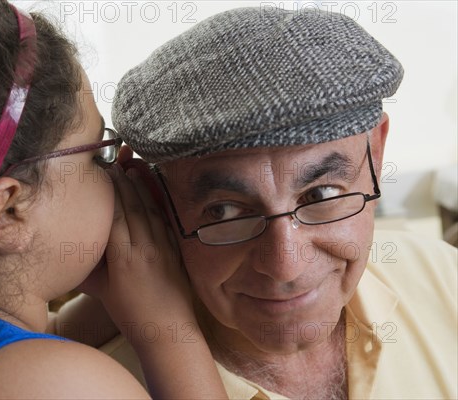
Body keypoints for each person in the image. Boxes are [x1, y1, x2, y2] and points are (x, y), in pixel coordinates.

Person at [0, 1, 228, 398]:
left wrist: (123, 296)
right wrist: (168, 332)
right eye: (97, 156)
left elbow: (33, 334)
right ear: (9, 211)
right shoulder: (59, 385)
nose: (121, 174)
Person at [105, 7, 458, 399]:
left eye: (320, 195)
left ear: (375, 153)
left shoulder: (443, 278)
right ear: (152, 199)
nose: (285, 266)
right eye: (224, 211)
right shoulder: (96, 384)